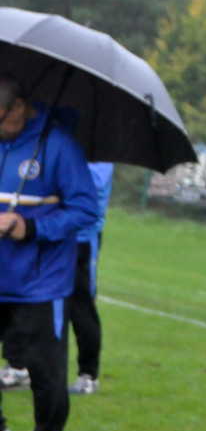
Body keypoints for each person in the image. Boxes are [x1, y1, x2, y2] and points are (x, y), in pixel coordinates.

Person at [0, 71, 99, 431]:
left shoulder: (58, 146)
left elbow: (86, 211)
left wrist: (30, 228)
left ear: (21, 107)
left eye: (2, 117)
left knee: (44, 371)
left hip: (40, 283)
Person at [68, 161, 114, 395]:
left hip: (83, 239)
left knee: (81, 306)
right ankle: (20, 365)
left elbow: (92, 184)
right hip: (52, 235)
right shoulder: (67, 143)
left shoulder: (99, 154)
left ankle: (88, 375)